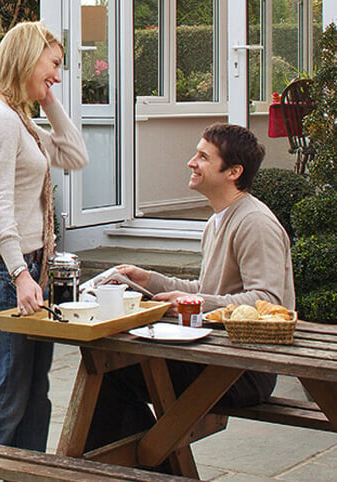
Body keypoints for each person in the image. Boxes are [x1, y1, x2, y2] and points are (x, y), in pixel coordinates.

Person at [84, 123, 295, 463]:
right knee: (113, 367)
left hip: (243, 370)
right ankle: (145, 466)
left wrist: (192, 302)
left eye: (202, 157)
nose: (191, 163)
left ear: (233, 172)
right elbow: (208, 291)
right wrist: (149, 280)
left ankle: (138, 467)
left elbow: (268, 302)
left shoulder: (255, 223)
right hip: (215, 357)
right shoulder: (217, 221)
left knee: (114, 371)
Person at [0, 21, 89, 481]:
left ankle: (26, 475)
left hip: (31, 266)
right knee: (9, 391)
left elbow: (74, 155)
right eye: (53, 65)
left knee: (34, 391)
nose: (57, 75)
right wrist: (20, 275)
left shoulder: (19, 117)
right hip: (9, 271)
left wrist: (49, 100)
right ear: (27, 57)